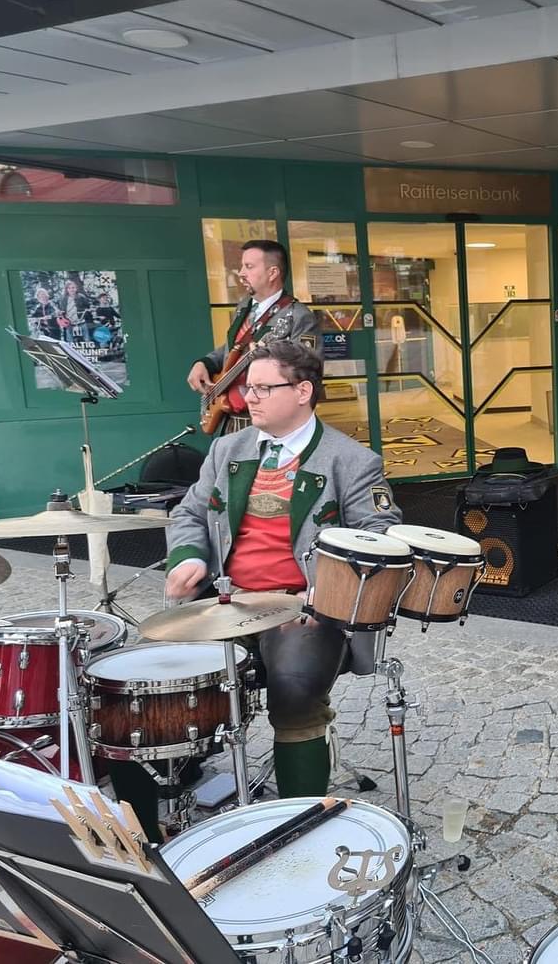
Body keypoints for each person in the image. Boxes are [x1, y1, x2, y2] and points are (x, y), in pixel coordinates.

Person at [114, 340, 400, 839]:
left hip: (303, 607)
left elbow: (379, 533)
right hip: (226, 598)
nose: (248, 398)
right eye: (249, 387)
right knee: (140, 683)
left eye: (263, 388)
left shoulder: (352, 460)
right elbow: (190, 512)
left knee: (295, 688)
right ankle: (143, 831)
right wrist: (189, 557)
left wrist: (328, 592)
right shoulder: (229, 449)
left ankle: (297, 826)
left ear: (303, 391)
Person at [187, 239, 319, 434]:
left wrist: (271, 360)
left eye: (248, 266)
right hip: (231, 421)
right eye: (242, 266)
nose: (241, 273)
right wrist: (205, 363)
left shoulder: (300, 316)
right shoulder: (244, 307)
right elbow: (232, 349)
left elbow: (309, 371)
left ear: (272, 273)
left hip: (272, 424)